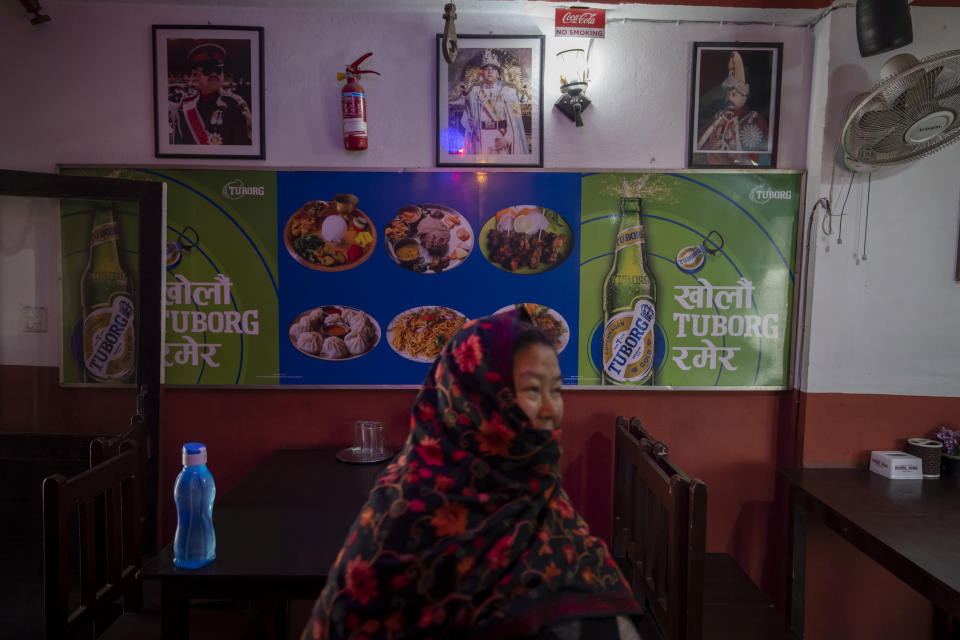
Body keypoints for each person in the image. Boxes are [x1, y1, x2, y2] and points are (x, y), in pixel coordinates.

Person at [302, 307, 642, 640]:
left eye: (556, 390)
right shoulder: (403, 512)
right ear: (476, 400)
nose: (553, 411)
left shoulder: (537, 486)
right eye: (533, 391)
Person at [172, 43, 252, 146]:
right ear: (195, 74)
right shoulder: (185, 106)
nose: (213, 74)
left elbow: (245, 149)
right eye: (207, 70)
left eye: (218, 70)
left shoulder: (235, 104)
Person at [696, 51, 769, 161]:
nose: (729, 98)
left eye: (734, 94)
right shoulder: (717, 119)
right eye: (727, 94)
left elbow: (763, 158)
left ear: (744, 96)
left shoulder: (755, 120)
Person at [459, 50, 530, 156]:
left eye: (493, 69)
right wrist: (469, 123)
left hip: (500, 139)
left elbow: (516, 123)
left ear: (498, 73)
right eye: (486, 69)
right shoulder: (475, 92)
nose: (489, 71)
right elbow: (465, 119)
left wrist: (507, 139)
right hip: (480, 141)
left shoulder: (508, 92)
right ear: (482, 72)